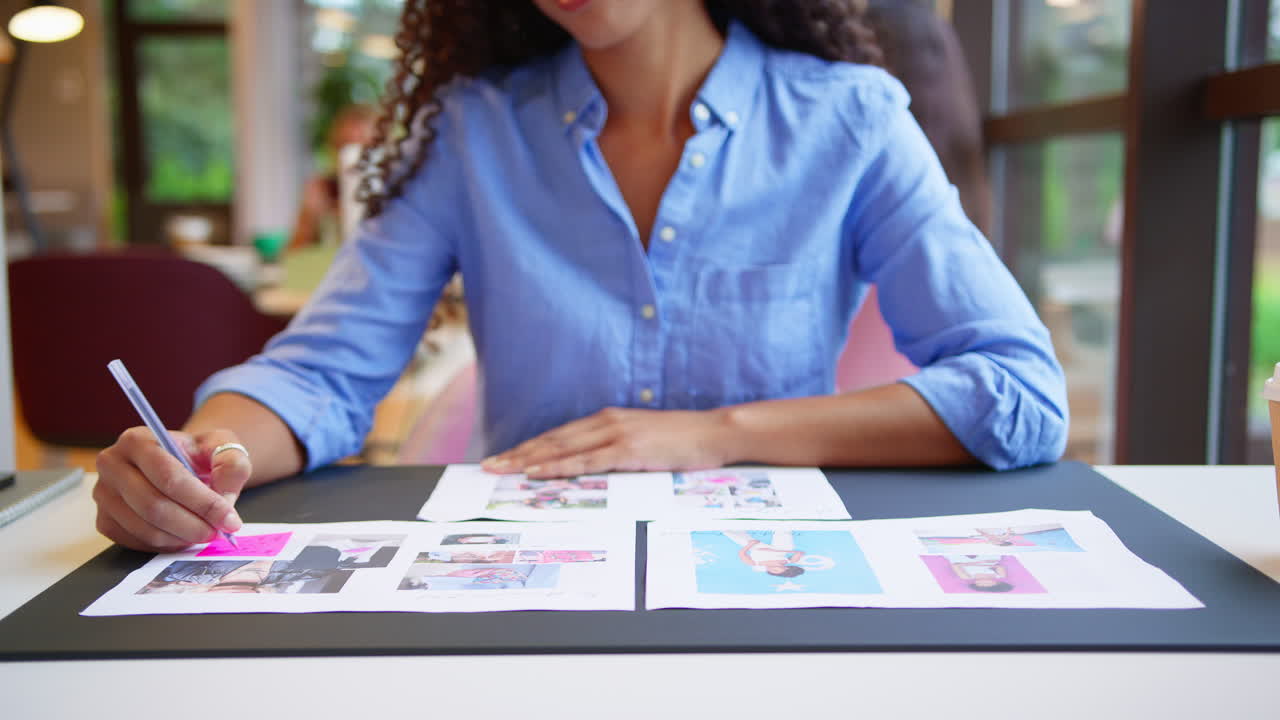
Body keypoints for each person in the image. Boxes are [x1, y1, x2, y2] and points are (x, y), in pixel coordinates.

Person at [94, 0, 1068, 553]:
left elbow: (1016, 392)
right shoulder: (474, 132)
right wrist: (200, 456)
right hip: (521, 591)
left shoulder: (848, 120)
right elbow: (321, 376)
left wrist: (713, 435)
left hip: (768, 591)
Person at [288, 104, 379, 250]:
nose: (353, 156)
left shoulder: (392, 190)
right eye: (345, 145)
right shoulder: (322, 188)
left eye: (364, 146)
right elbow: (294, 253)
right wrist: (310, 218)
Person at [724, 530, 806, 577]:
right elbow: (799, 553)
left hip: (755, 546)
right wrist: (790, 552)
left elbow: (741, 554)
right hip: (780, 548)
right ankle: (782, 526)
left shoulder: (755, 563)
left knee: (729, 532)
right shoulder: (787, 561)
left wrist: (750, 544)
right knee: (786, 543)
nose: (772, 569)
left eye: (772, 571)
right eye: (776, 570)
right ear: (786, 568)